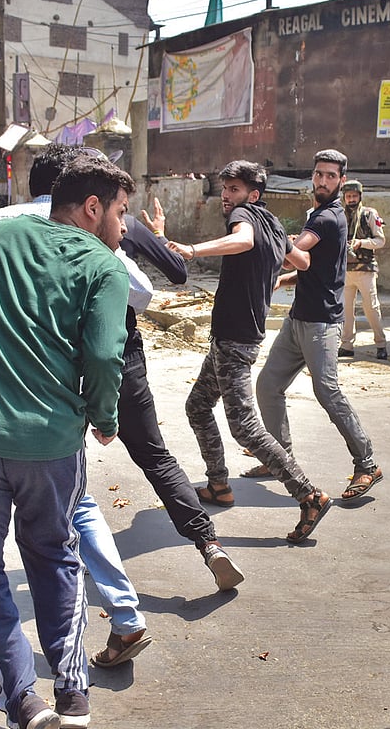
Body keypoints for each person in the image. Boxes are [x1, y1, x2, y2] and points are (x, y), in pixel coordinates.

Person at [0, 144, 245, 592]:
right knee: (150, 456)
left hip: (37, 362)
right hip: (117, 353)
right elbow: (141, 291)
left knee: (40, 479)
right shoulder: (98, 230)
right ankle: (208, 545)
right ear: (87, 196)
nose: (121, 217)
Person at [0, 154, 134, 729]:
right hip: (49, 443)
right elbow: (102, 354)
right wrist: (105, 416)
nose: (123, 226)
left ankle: (23, 701)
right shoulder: (104, 266)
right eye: (121, 212)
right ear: (93, 208)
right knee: (55, 557)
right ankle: (72, 695)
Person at [167, 160, 332, 543]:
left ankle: (308, 494)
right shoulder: (273, 223)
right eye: (225, 189)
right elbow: (304, 261)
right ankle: (218, 485)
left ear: (252, 195)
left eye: (234, 189)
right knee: (197, 406)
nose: (226, 196)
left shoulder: (245, 217)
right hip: (238, 334)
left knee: (244, 426)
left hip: (235, 337)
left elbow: (242, 240)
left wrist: (192, 250)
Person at [255, 149, 382, 503]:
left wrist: (270, 237)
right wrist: (289, 279)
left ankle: (367, 463)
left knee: (327, 392)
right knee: (268, 386)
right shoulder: (321, 214)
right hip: (298, 320)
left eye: (330, 176)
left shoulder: (327, 217)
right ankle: (279, 458)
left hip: (322, 325)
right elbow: (322, 267)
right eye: (318, 174)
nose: (323, 181)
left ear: (342, 181)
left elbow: (301, 251)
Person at [336, 179, 389, 360]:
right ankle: (346, 345)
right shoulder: (339, 215)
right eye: (348, 196)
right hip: (345, 271)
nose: (351, 199)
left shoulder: (369, 214)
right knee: (345, 310)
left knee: (371, 308)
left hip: (365, 269)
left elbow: (380, 241)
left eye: (354, 196)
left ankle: (381, 344)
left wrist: (361, 243)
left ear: (360, 196)